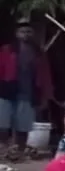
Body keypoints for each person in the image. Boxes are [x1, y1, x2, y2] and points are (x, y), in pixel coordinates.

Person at [0, 17, 53, 155]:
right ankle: (3, 148)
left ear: (33, 33)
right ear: (17, 33)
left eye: (28, 32)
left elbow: (45, 75)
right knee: (2, 123)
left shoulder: (38, 52)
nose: (25, 35)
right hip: (7, 90)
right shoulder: (7, 50)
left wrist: (45, 95)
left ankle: (20, 150)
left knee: (23, 125)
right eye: (22, 32)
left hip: (28, 93)